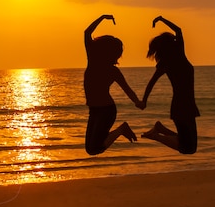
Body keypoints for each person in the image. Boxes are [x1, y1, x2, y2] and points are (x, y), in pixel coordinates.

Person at [139, 15, 200, 154]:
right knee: (188, 148)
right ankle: (156, 135)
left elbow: (178, 30)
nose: (175, 38)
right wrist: (144, 101)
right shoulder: (170, 60)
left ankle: (160, 129)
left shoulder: (177, 54)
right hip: (181, 106)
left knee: (189, 144)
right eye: (172, 39)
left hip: (188, 105)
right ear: (170, 44)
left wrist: (161, 19)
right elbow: (151, 82)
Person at [84, 14, 141, 156]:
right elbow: (87, 32)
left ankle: (122, 130)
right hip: (94, 110)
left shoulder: (112, 70)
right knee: (89, 148)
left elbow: (128, 90)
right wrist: (102, 17)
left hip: (106, 111)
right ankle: (122, 129)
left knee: (94, 149)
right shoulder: (93, 59)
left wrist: (138, 102)